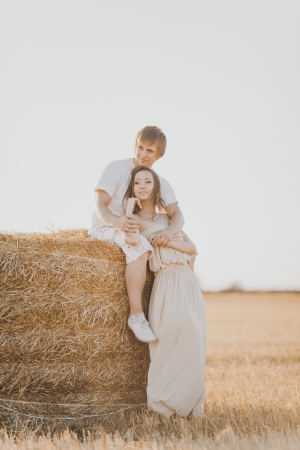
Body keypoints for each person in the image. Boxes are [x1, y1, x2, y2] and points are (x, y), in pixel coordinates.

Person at [123, 165, 207, 417]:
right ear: (132, 189)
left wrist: (169, 239)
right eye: (137, 183)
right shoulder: (133, 220)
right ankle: (163, 407)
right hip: (166, 281)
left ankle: (191, 405)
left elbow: (192, 248)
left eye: (148, 181)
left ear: (156, 187)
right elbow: (130, 240)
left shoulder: (170, 220)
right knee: (167, 340)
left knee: (194, 337)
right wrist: (128, 206)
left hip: (187, 282)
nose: (143, 186)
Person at [88, 126, 184, 343]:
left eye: (149, 151)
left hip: (131, 229)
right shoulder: (115, 168)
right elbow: (99, 205)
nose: (142, 154)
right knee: (140, 245)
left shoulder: (159, 182)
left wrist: (169, 232)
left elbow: (178, 215)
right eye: (140, 147)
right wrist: (117, 222)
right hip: (105, 228)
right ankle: (137, 316)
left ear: (158, 155)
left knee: (143, 241)